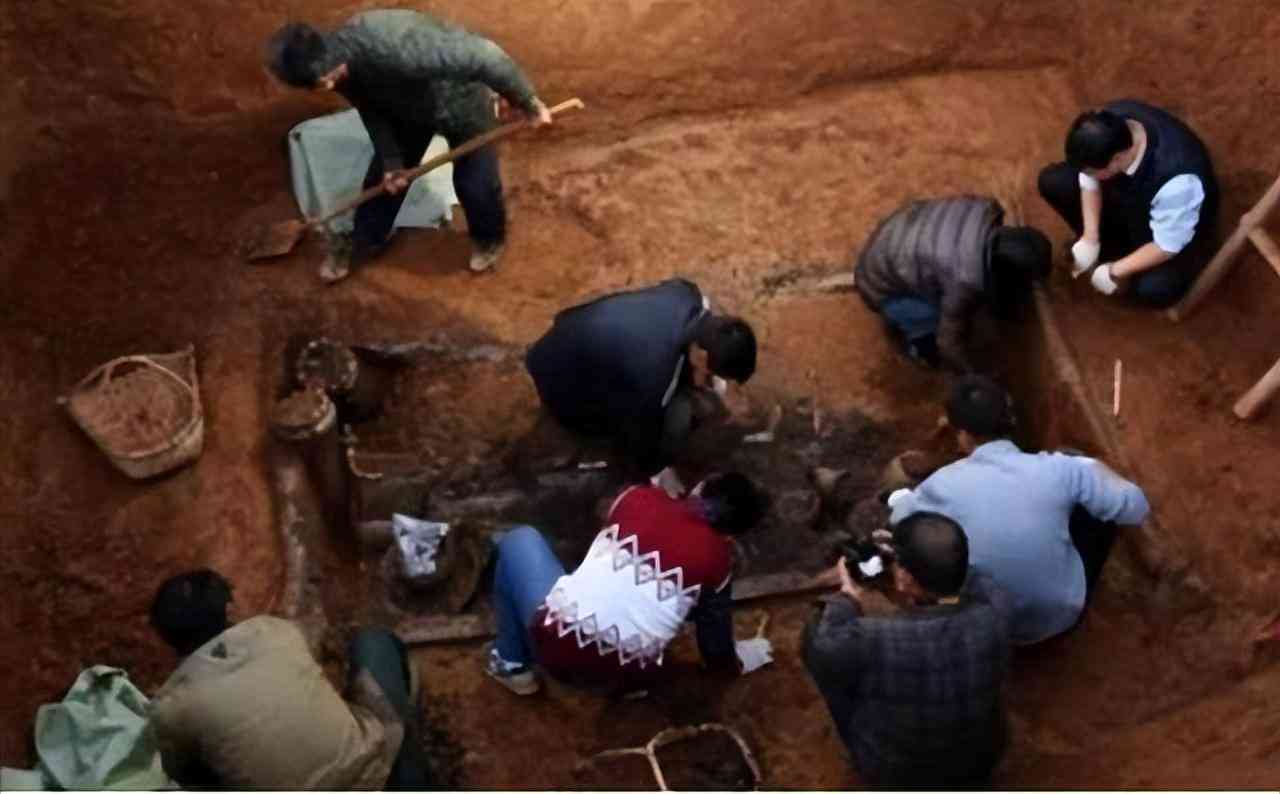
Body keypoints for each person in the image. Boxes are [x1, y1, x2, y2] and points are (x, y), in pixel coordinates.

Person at [265, 10, 554, 283]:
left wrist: (527, 101)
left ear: (327, 57)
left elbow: (485, 55)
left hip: (461, 104)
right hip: (405, 112)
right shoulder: (334, 68)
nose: (328, 86)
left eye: (326, 81)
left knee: (476, 182)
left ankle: (488, 239)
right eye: (320, 85)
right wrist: (392, 161)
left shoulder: (396, 45)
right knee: (384, 181)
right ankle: (364, 241)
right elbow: (370, 109)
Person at [889, 375, 1150, 644]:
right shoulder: (1060, 469)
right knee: (1092, 501)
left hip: (991, 630)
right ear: (1010, 420)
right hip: (1063, 615)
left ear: (963, 435)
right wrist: (1089, 471)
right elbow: (1135, 506)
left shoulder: (940, 485)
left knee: (933, 543)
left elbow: (899, 519)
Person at [483, 473, 770, 695]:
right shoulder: (718, 562)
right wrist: (746, 658)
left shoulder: (638, 499)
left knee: (520, 539)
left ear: (700, 487)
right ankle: (626, 688)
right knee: (689, 600)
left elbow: (611, 518)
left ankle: (511, 663)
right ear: (730, 536)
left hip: (554, 653)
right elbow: (716, 651)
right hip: (630, 678)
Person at [147, 569, 428, 789]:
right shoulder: (275, 631)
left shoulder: (171, 707)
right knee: (374, 641)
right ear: (230, 610)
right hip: (379, 777)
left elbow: (172, 766)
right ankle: (412, 764)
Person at [802, 511, 1012, 788]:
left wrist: (848, 596)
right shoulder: (997, 607)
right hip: (978, 763)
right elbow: (972, 577)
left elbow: (821, 645)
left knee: (828, 662)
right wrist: (918, 555)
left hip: (898, 774)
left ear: (905, 579)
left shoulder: (873, 639)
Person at [524, 278, 757, 478]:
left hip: (565, 334)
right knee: (676, 417)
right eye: (714, 374)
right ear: (702, 356)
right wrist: (654, 469)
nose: (712, 379)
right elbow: (640, 437)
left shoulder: (687, 293)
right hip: (558, 381)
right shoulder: (654, 377)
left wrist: (705, 377)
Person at [1038, 100, 1219, 307]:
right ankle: (1107, 246)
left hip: (1169, 229)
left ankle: (1127, 285)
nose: (1089, 175)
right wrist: (1090, 237)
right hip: (1131, 201)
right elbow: (1089, 179)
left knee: (1156, 287)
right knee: (1055, 181)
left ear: (1117, 159)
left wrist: (1114, 271)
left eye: (1094, 171)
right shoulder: (1110, 122)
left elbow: (1167, 245)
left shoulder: (1178, 182)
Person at [854, 195, 1051, 372]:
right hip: (878, 283)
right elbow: (948, 342)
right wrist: (968, 371)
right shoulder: (964, 280)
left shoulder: (986, 209)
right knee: (930, 323)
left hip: (898, 233)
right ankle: (921, 349)